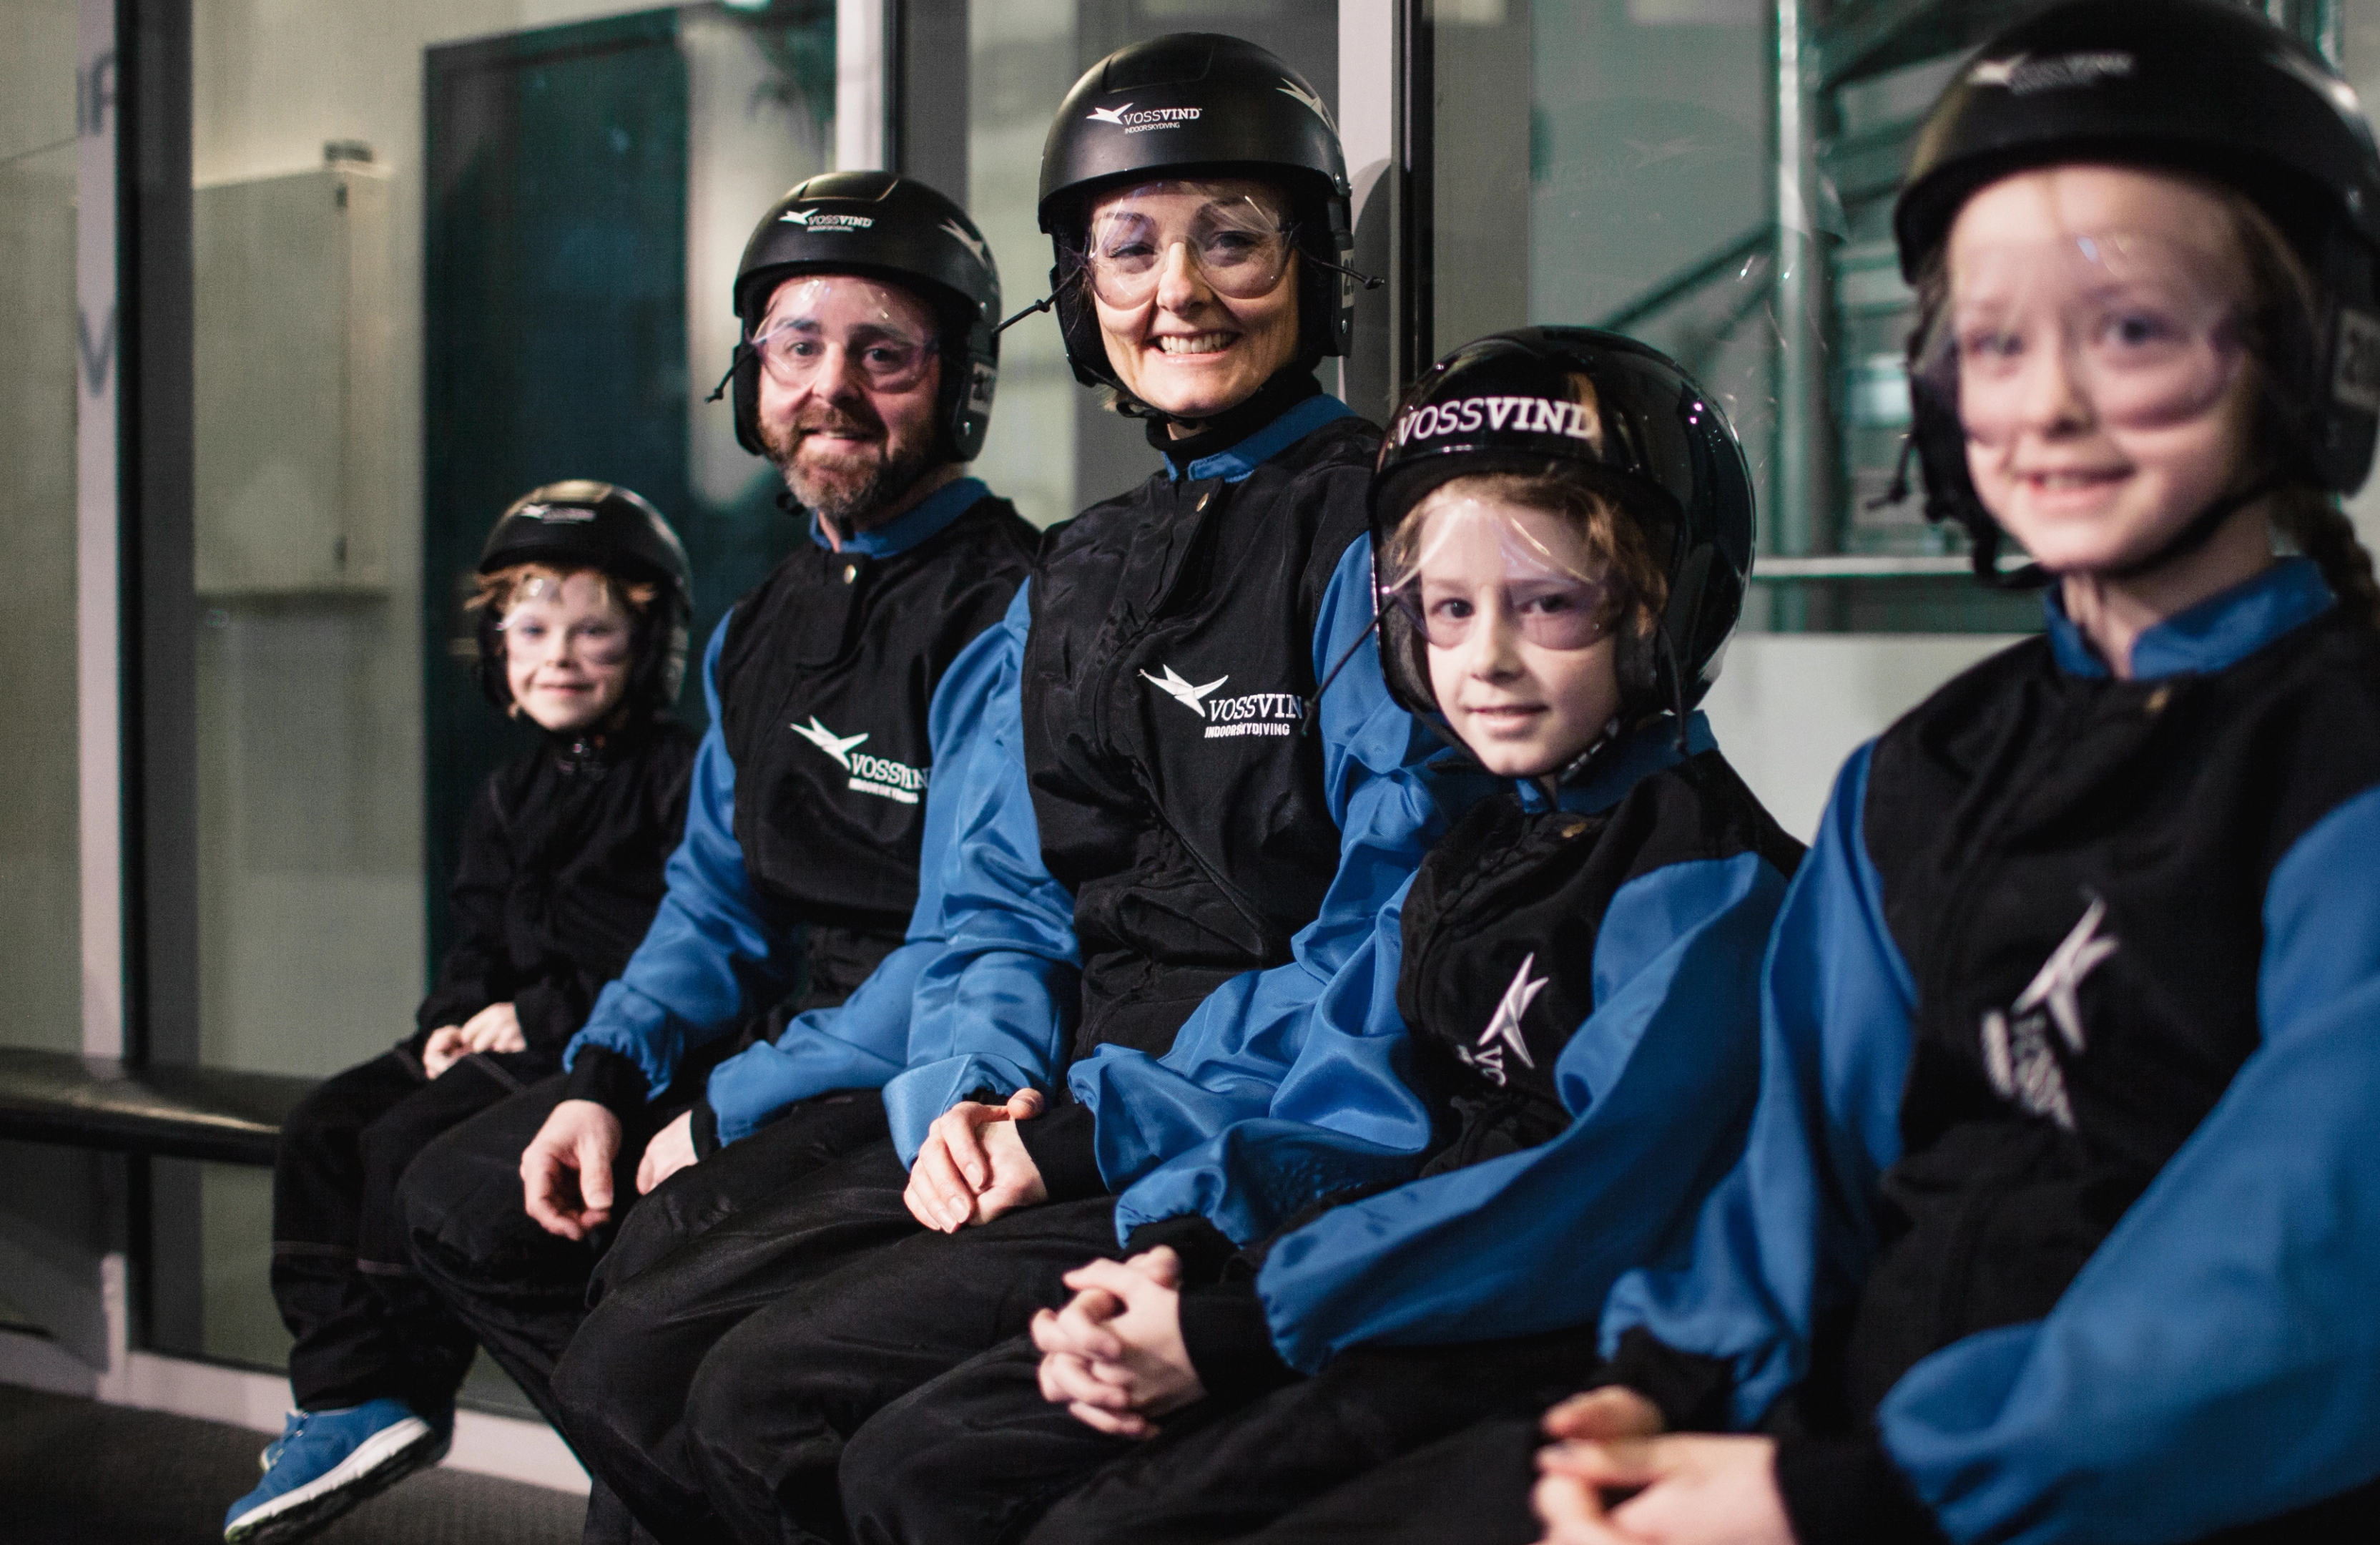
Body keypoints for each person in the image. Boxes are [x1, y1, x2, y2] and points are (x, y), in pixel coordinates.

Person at [1212, 4, 2380, 1542]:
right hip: (1843, 1466)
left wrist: (1850, 1492)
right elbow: (1800, 1178)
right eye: (1993, 340)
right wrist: (1663, 1384)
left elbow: (2314, 1294)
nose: (2045, 404)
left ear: (2314, 346)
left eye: (2130, 330)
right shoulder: (1918, 774)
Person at [542, 32, 1440, 1545]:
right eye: (1131, 247)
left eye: (1232, 238)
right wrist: (965, 1092)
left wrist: (1091, 1132)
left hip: (1229, 1124)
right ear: (1080, 290)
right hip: (1042, 1095)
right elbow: (993, 905)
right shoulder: (1076, 572)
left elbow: (1392, 936)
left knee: (768, 1401)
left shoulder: (1385, 539)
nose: (1180, 291)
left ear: (1315, 266)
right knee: (634, 1333)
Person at [832, 327, 1807, 1545]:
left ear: (1673, 607)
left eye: (1550, 604)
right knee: (918, 1467)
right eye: (1447, 611)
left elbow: (1573, 1204)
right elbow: (1339, 1103)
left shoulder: (1709, 895)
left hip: (1534, 1341)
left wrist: (1243, 1326)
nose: (1486, 662)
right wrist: (1182, 1252)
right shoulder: (1472, 853)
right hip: (1349, 1289)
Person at [395, 170, 1040, 1473]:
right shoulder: (759, 626)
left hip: (910, 1057)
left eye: (884, 353)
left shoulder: (1014, 607)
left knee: (653, 1291)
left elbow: (970, 937)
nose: (830, 387)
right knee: (458, 1199)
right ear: (750, 375)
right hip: (782, 1040)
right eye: (795, 347)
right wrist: (608, 1075)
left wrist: (729, 1105)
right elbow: (710, 902)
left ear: (959, 380)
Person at [223, 482, 699, 1545]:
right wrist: (449, 1016)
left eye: (595, 632)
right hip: (498, 1032)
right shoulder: (505, 793)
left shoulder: (676, 778)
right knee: (326, 1129)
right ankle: (341, 1389)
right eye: (531, 630)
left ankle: (397, 1377)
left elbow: (665, 949)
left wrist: (534, 1016)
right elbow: (477, 935)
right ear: (494, 648)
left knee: (404, 1145)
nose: (560, 657)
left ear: (649, 643)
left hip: (590, 1048)